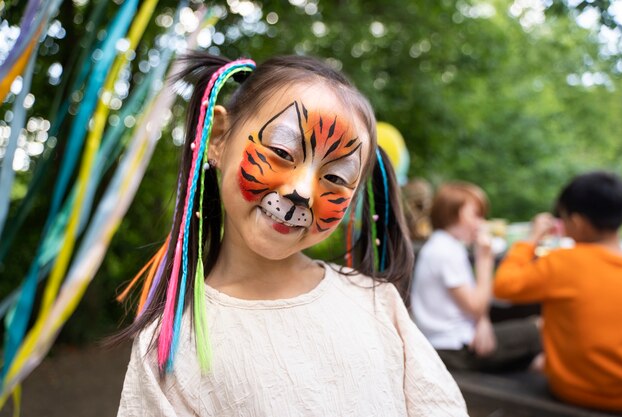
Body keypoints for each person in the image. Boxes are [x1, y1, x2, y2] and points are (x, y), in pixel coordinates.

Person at [115, 53, 467, 416]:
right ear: (219, 137)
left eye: (334, 178)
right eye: (282, 151)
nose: (301, 190)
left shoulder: (377, 304)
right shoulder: (171, 342)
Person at [494, 171, 622, 412]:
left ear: (578, 223)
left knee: (535, 358)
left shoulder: (563, 263)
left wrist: (531, 237)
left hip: (575, 391)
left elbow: (504, 285)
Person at [411, 182, 541, 372]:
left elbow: (473, 307)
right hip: (454, 350)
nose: (481, 222)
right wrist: (485, 260)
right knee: (541, 328)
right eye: (476, 215)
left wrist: (483, 321)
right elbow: (476, 306)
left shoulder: (443, 245)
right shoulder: (446, 252)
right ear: (454, 213)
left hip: (450, 342)